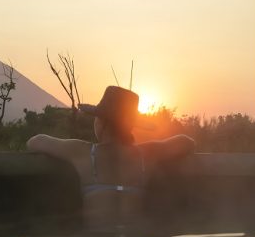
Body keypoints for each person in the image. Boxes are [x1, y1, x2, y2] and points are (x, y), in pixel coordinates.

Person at [27, 86, 195, 225]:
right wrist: (150, 147)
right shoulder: (146, 154)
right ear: (130, 126)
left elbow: (35, 141)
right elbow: (187, 142)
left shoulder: (81, 151)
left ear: (102, 122)